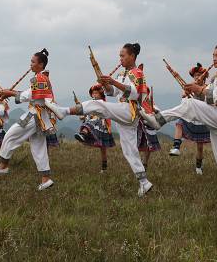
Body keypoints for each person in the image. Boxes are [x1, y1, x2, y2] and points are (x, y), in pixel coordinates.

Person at [139, 40, 217, 195]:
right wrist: (195, 90)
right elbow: (207, 95)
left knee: (190, 105)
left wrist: (199, 89)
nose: (214, 58)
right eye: (213, 55)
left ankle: (158, 120)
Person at [47, 43, 154, 197]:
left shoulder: (137, 73)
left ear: (132, 56)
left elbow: (135, 94)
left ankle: (64, 111)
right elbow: (112, 92)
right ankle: (144, 182)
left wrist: (113, 82)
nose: (121, 58)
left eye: (123, 55)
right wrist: (106, 85)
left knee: (98, 105)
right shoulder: (122, 74)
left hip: (129, 109)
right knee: (129, 150)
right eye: (120, 56)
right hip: (125, 113)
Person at [0, 49, 58, 191]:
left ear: (41, 64)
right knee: (38, 148)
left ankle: (3, 166)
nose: (30, 64)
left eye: (33, 62)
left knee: (10, 135)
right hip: (40, 116)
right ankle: (46, 179)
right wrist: (11, 93)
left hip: (33, 115)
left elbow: (30, 95)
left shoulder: (40, 78)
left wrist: (10, 93)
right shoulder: (41, 78)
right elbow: (30, 93)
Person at [169, 64, 211, 175]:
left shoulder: (208, 87)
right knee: (179, 123)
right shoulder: (190, 86)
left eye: (199, 75)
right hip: (192, 116)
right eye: (195, 76)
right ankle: (176, 146)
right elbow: (184, 98)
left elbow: (210, 100)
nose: (197, 77)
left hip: (203, 118)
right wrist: (186, 94)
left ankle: (198, 167)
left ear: (204, 77)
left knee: (200, 147)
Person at [74, 84, 115, 173]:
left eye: (96, 93)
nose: (94, 95)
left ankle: (104, 168)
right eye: (93, 93)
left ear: (101, 94)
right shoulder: (90, 102)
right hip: (93, 122)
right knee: (89, 123)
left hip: (102, 124)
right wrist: (83, 116)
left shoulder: (103, 103)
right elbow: (87, 113)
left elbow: (106, 113)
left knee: (103, 149)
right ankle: (83, 134)